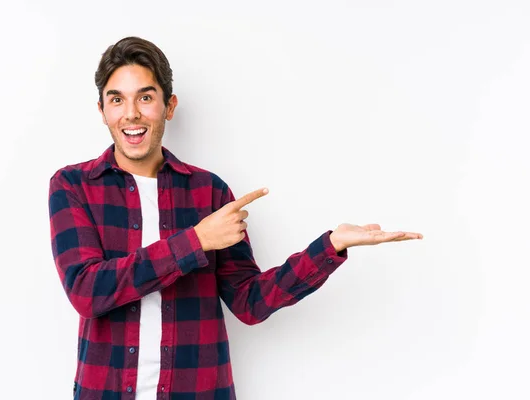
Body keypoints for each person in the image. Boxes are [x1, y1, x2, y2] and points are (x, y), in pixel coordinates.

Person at [48, 36, 423, 400]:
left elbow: (249, 303)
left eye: (145, 97)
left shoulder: (208, 192)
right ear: (102, 111)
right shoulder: (73, 185)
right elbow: (87, 291)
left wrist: (331, 246)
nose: (131, 113)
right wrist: (196, 241)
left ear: (169, 106)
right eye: (117, 100)